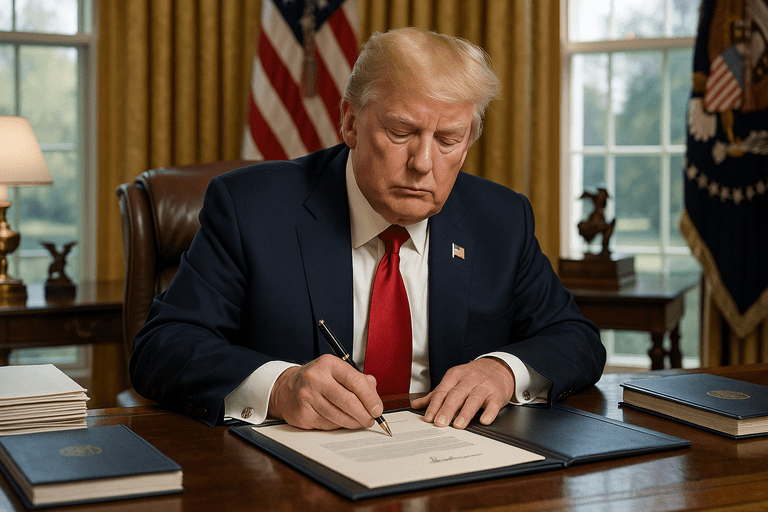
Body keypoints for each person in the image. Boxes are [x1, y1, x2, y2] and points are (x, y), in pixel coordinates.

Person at [130, 27, 605, 432]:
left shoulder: (500, 218)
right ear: (351, 122)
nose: (423, 164)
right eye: (401, 132)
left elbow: (575, 339)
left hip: (452, 472)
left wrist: (502, 371)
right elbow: (161, 347)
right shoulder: (251, 209)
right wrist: (278, 387)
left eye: (447, 140)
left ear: (468, 142)